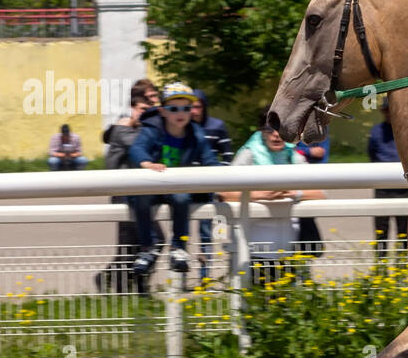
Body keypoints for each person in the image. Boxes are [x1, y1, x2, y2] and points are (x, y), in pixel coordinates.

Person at [217, 114, 325, 285]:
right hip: (253, 248)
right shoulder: (248, 155)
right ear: (262, 132)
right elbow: (224, 193)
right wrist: (259, 195)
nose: (277, 135)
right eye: (270, 130)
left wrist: (294, 193)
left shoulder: (293, 154)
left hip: (291, 248)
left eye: (283, 129)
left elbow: (319, 194)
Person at [127, 81, 220, 276]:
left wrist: (221, 177)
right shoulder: (152, 129)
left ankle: (178, 248)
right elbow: (136, 148)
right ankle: (148, 247)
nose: (181, 113)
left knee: (181, 197)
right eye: (174, 108)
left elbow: (210, 160)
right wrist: (146, 163)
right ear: (162, 111)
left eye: (186, 108)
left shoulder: (196, 134)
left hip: (177, 187)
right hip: (152, 186)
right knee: (141, 197)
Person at [96, 80, 160, 291]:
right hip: (123, 193)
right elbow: (140, 148)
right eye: (143, 107)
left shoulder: (138, 128)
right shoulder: (124, 129)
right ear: (133, 108)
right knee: (134, 244)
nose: (146, 112)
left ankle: (136, 284)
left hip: (138, 192)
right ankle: (122, 287)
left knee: (146, 241)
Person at [190, 89, 233, 280]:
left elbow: (227, 156)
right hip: (187, 186)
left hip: (210, 187)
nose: (193, 111)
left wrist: (218, 178)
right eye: (190, 107)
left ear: (204, 107)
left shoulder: (216, 126)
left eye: (197, 106)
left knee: (213, 231)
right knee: (181, 233)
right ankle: (180, 275)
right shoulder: (183, 128)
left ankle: (206, 274)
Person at [368, 101, 407, 257]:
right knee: (380, 230)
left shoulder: (406, 130)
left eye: (391, 110)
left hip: (404, 187)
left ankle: (403, 266)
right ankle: (381, 267)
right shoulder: (376, 131)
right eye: (386, 110)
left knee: (404, 231)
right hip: (383, 187)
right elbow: (372, 154)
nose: (389, 113)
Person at [294, 131, 330, 248]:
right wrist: (309, 151)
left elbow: (321, 153)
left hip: (314, 175)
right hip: (302, 174)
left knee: (307, 215)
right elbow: (294, 149)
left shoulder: (320, 128)